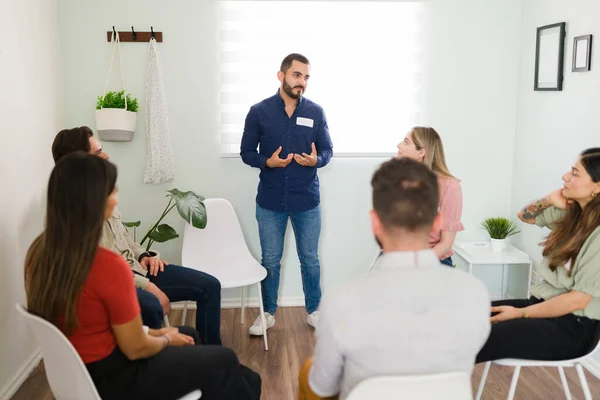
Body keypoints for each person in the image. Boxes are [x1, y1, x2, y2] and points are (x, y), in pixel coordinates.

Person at [24, 152, 261, 400]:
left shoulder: (39, 254)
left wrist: (162, 334)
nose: (116, 199)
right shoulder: (106, 265)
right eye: (112, 192)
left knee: (191, 337)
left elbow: (105, 330)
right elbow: (136, 348)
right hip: (120, 379)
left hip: (83, 375)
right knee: (229, 362)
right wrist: (166, 340)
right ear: (94, 201)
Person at [298, 158, 490, 400]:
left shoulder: (341, 301)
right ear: (437, 222)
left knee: (308, 371)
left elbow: (322, 386)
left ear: (375, 222)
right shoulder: (475, 294)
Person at [52, 127, 222, 345]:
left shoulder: (104, 192)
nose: (106, 156)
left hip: (137, 268)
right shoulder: (75, 216)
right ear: (78, 164)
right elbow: (105, 274)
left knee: (210, 286)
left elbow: (126, 238)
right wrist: (148, 286)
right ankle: (157, 366)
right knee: (151, 306)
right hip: (122, 283)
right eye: (97, 154)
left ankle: (209, 357)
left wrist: (144, 255)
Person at [476, 148, 600, 363]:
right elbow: (525, 216)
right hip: (541, 306)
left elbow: (576, 300)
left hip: (572, 328)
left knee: (471, 339)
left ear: (597, 187)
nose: (565, 177)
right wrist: (549, 200)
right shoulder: (573, 211)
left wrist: (520, 314)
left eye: (574, 173)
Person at [240, 53, 333, 334]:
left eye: (305, 77)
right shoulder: (259, 111)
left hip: (307, 200)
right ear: (281, 76)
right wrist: (266, 162)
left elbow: (328, 151)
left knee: (310, 259)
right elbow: (246, 152)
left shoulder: (316, 112)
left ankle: (314, 311)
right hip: (270, 201)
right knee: (270, 260)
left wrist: (316, 161)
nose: (301, 82)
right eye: (296, 75)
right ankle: (267, 313)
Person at [396, 126, 463, 266]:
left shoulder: (450, 186)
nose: (399, 145)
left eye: (406, 142)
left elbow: (446, 243)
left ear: (421, 152)